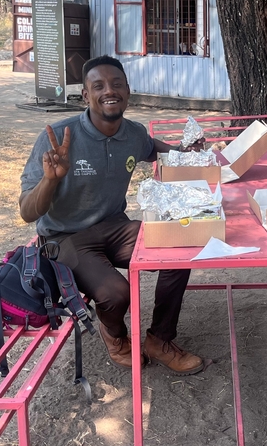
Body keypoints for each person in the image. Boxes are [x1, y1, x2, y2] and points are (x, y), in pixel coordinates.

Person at [19, 55, 203, 375]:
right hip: (65, 237)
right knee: (116, 293)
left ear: (128, 92)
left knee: (178, 248)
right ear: (86, 96)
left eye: (117, 84)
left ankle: (159, 339)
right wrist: (51, 179)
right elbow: (26, 212)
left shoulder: (132, 133)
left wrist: (180, 151)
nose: (109, 91)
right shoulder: (59, 137)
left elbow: (148, 146)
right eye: (99, 85)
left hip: (114, 226)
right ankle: (116, 336)